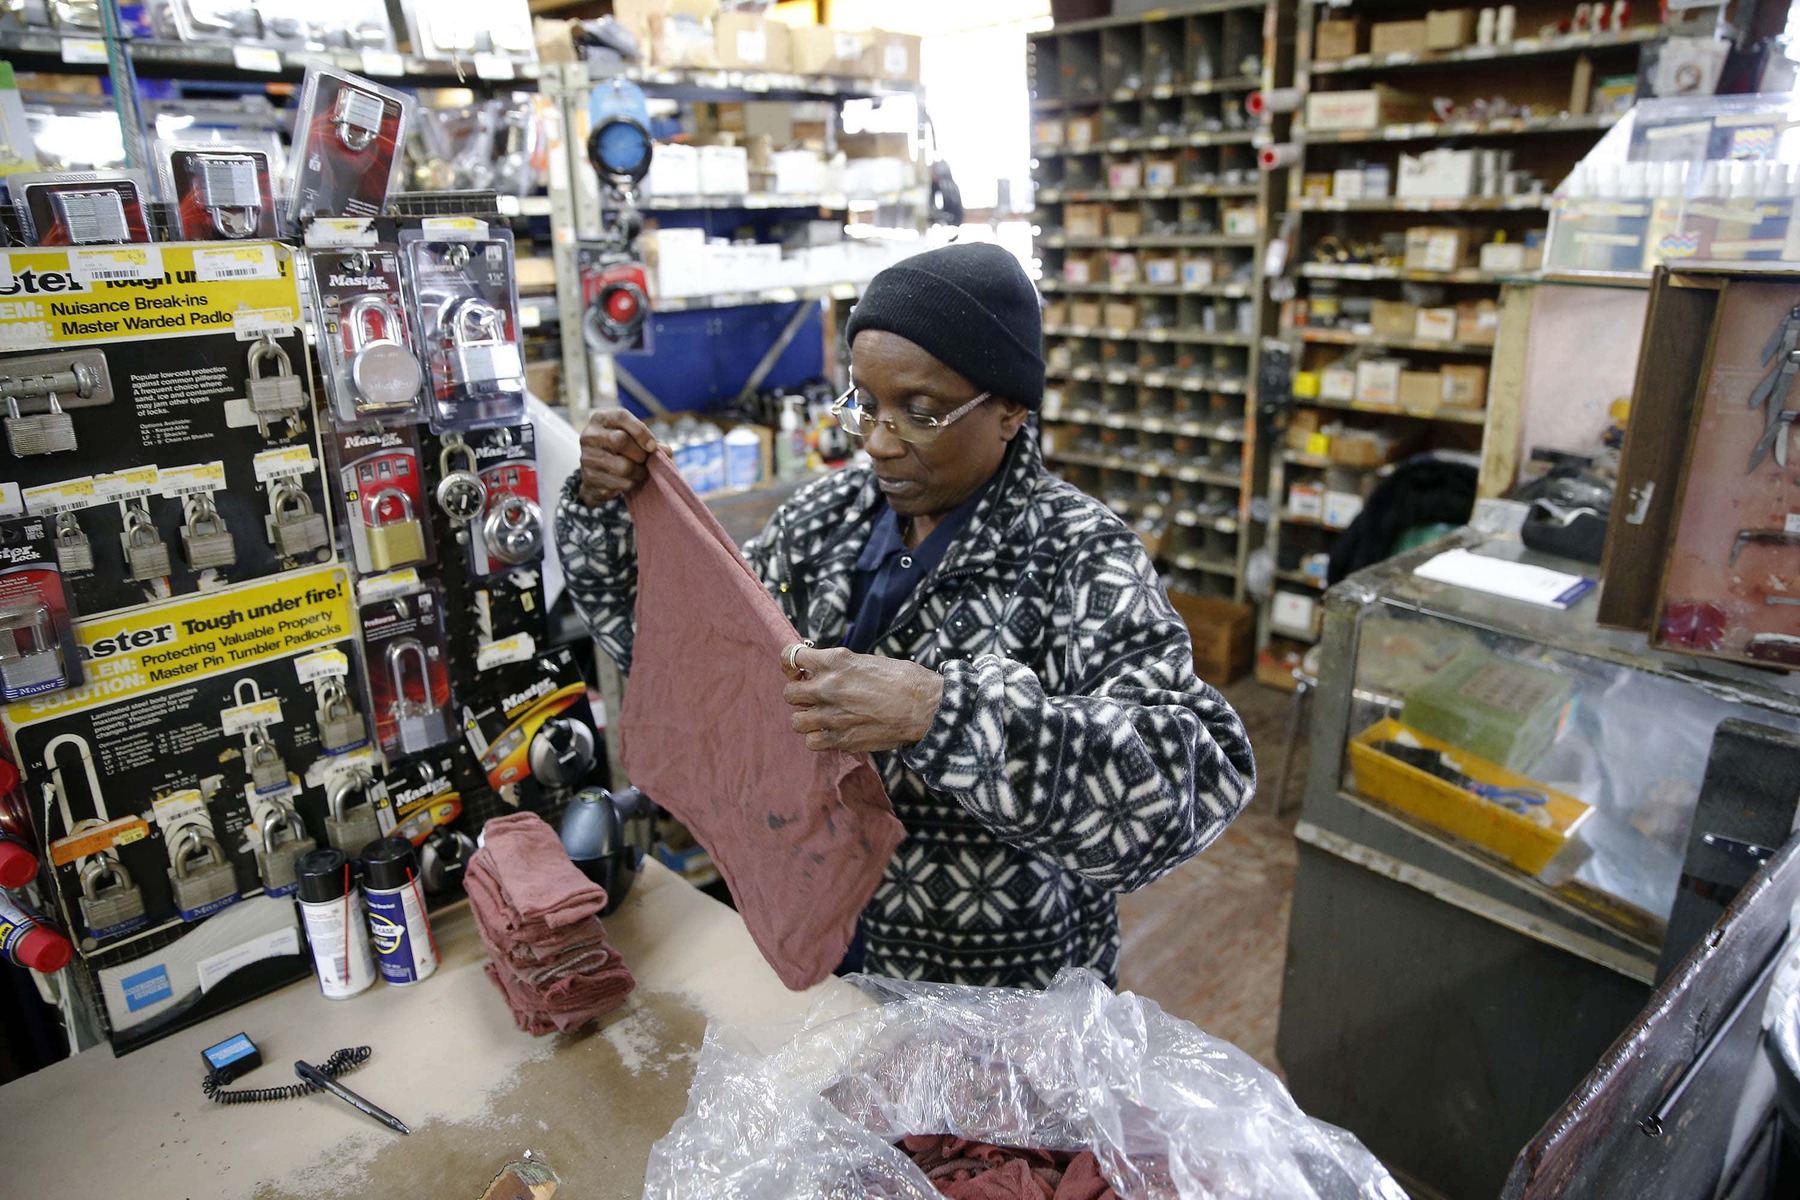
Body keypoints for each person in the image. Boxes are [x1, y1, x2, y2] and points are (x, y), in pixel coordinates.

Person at [555, 241, 1256, 988]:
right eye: (865, 404)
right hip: (818, 937)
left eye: (919, 413)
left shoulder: (1078, 557)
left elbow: (1197, 776)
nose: (881, 444)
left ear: (1011, 407)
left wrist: (941, 714)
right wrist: (609, 512)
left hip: (989, 992)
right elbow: (688, 661)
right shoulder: (825, 522)